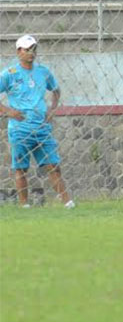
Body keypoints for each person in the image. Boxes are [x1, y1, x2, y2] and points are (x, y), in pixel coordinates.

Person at [0, 35, 74, 209]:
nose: (31, 53)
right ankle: (24, 206)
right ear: (19, 51)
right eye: (27, 49)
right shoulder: (9, 74)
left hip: (42, 128)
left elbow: (56, 90)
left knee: (53, 165)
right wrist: (8, 111)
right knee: (20, 168)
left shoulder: (43, 72)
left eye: (34, 49)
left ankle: (68, 204)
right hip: (20, 129)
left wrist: (52, 109)